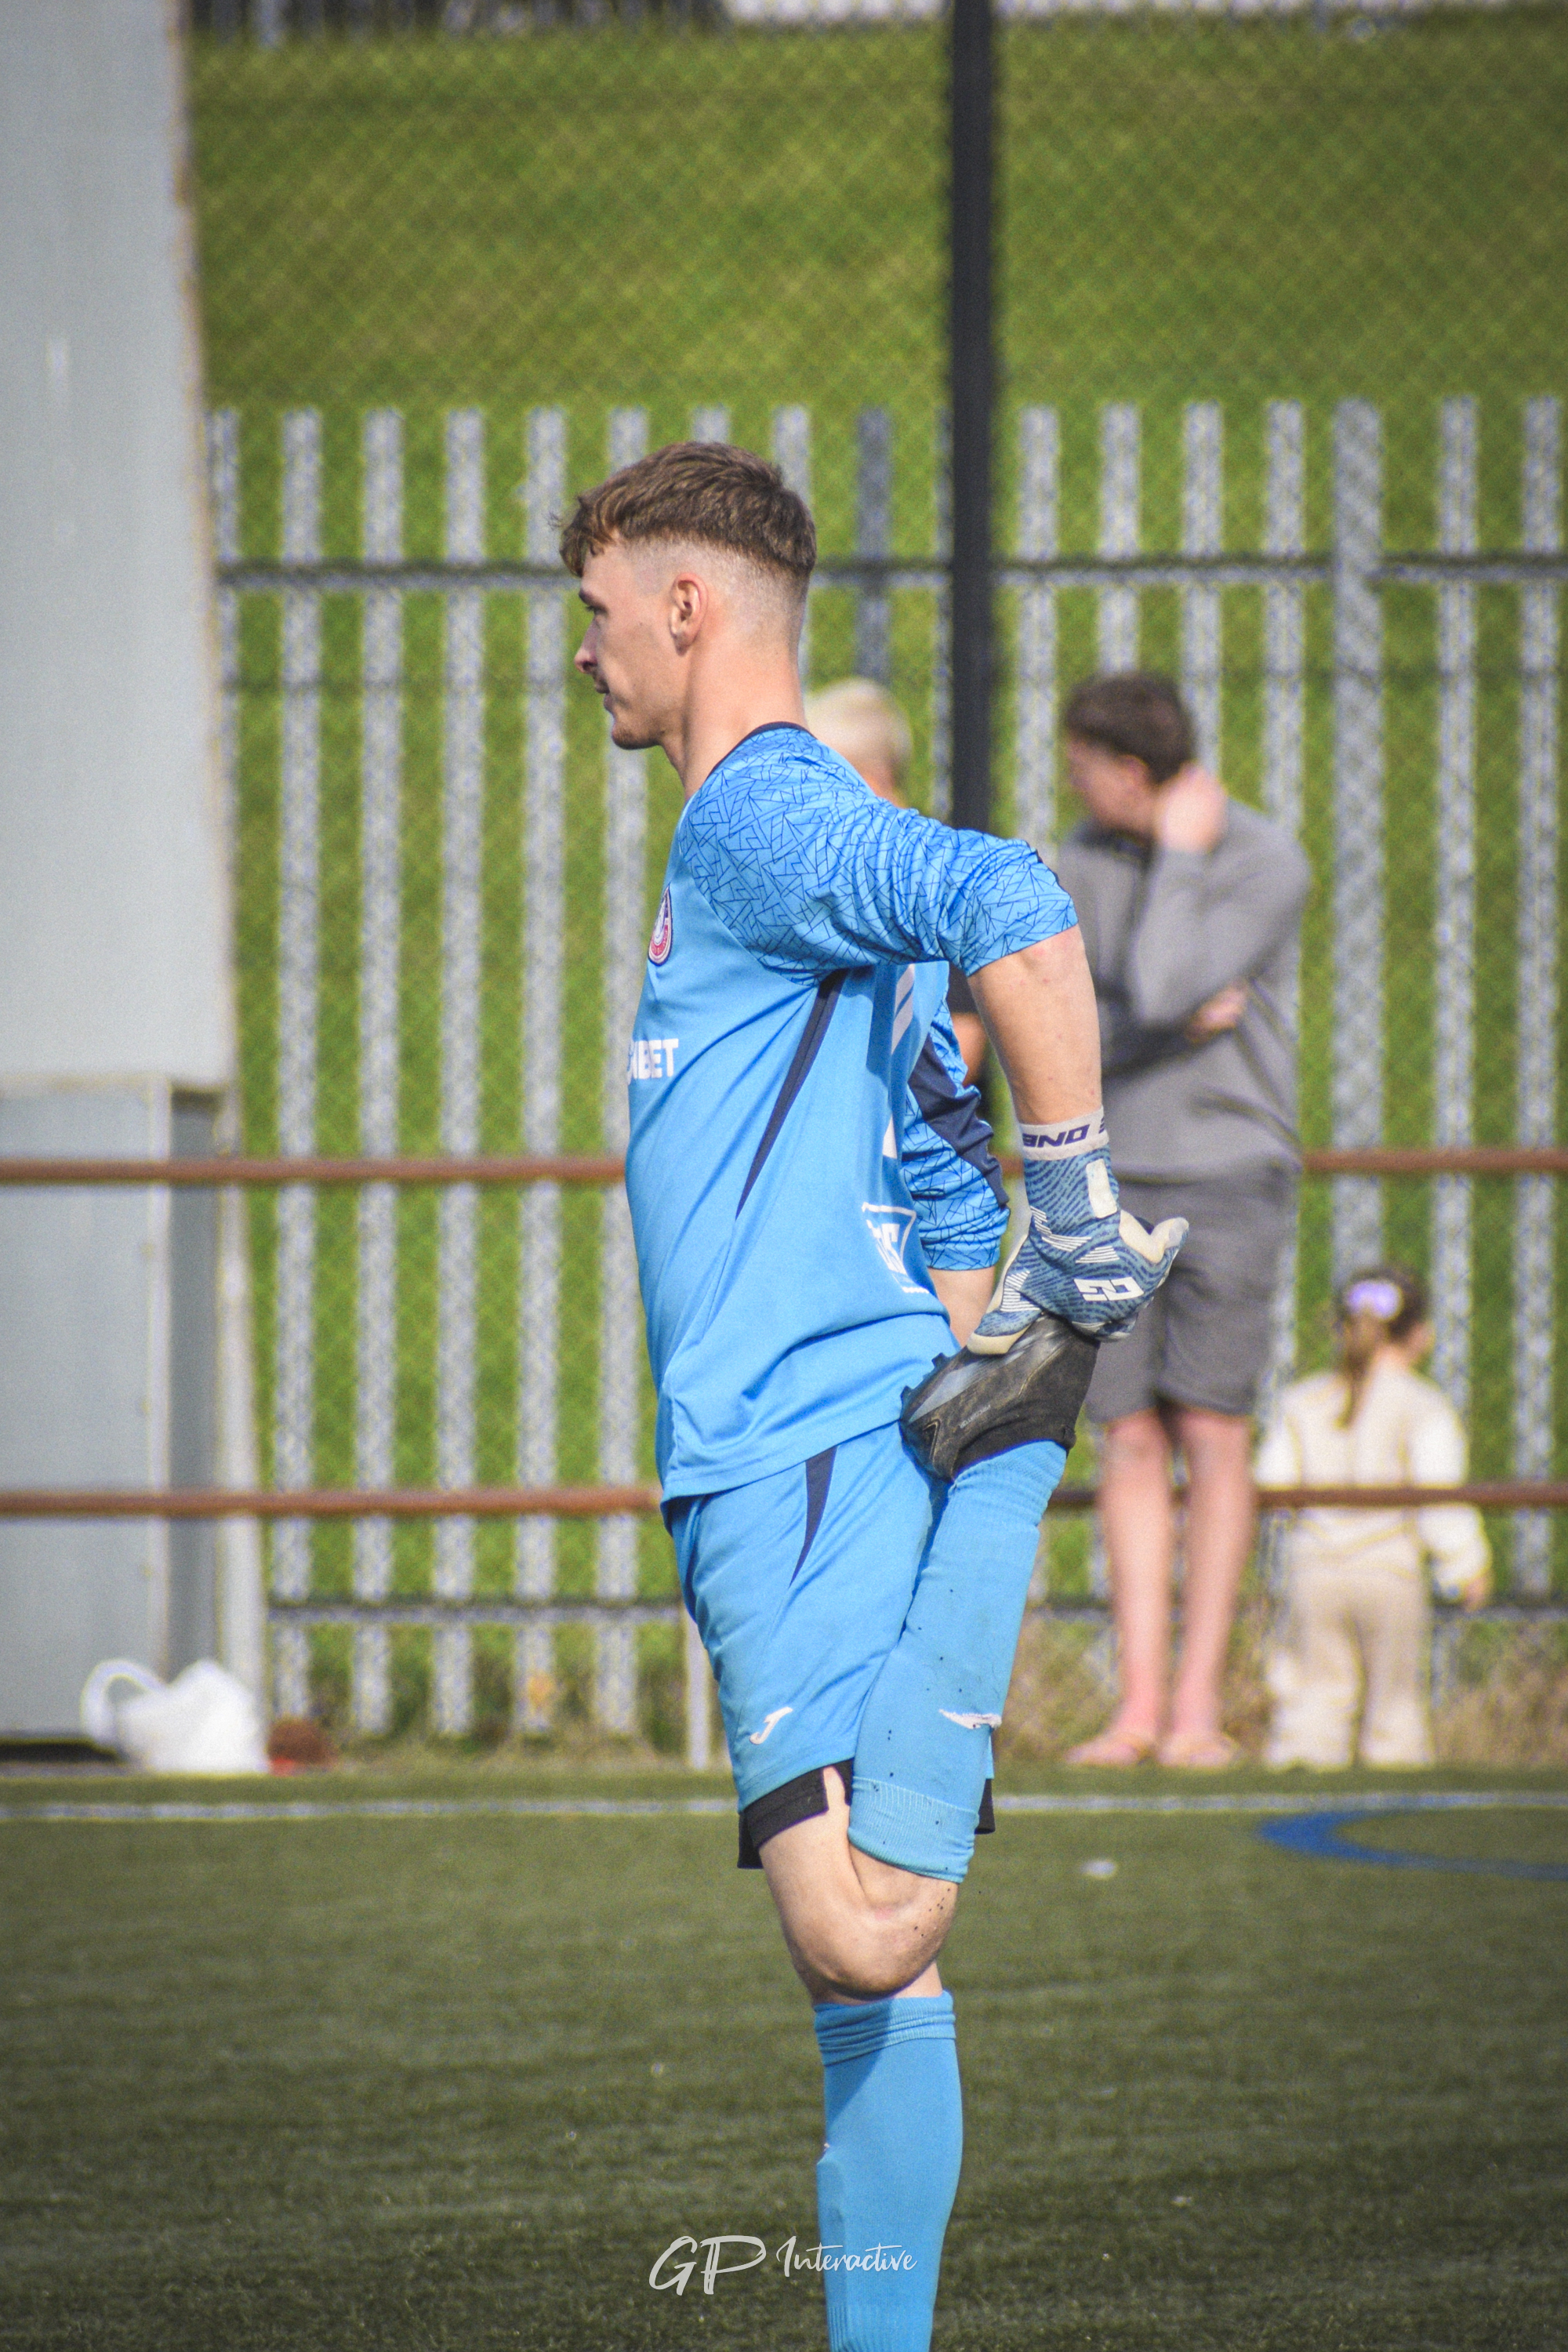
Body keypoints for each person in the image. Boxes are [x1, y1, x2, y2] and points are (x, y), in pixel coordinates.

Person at [562, 442, 1183, 2352]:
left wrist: (1064, 1233)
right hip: (799, 1432)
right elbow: (924, 1127)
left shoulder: (756, 809)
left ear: (685, 606)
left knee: (861, 1924)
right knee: (867, 1996)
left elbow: (1006, 896)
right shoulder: (760, 823)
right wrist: (983, 1277)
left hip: (801, 1444)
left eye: (593, 615)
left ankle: (1011, 1451)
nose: (580, 656)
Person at [1050, 672, 1310, 1769]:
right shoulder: (1076, 857)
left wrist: (1185, 859)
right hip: (1111, 1173)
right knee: (1132, 1439)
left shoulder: (1261, 860)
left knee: (1211, 1430)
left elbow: (1149, 985)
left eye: (1080, 767)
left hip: (1230, 1174)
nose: (1068, 788)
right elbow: (1087, 1028)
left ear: (1130, 771)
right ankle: (1138, 1709)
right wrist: (1158, 1026)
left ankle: (1199, 1711)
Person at [1259, 1266, 1491, 1769]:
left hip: (1314, 1569)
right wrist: (1464, 1564)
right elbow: (1438, 1496)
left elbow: (1273, 1485)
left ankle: (1300, 1777)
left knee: (1315, 1694)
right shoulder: (1424, 1404)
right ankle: (1394, 1782)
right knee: (1395, 1703)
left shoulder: (1303, 1400)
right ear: (1420, 1335)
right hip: (1392, 1571)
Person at [804, 676, 989, 1085]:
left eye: (820, 781)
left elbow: (963, 1048)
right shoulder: (837, 876)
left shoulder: (938, 876)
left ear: (872, 781)